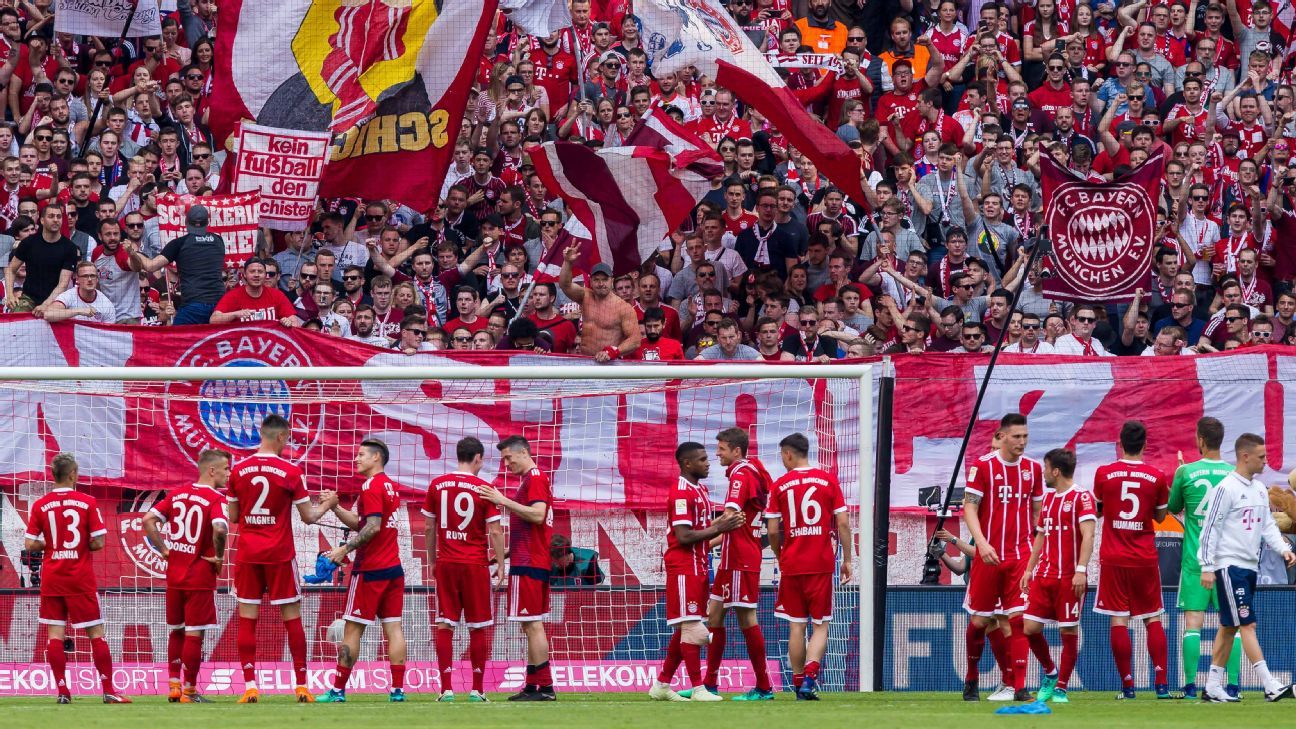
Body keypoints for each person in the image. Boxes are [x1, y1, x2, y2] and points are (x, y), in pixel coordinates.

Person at [225, 415, 337, 704]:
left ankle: (250, 686)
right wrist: (329, 503)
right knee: (292, 618)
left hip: (248, 553)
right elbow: (310, 517)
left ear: (260, 434)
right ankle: (301, 686)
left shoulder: (238, 470)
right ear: (282, 437)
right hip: (279, 554)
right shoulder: (290, 471)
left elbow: (233, 517)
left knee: (247, 619)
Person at [22, 453, 132, 704]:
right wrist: (81, 545)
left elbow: (29, 543)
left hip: (52, 578)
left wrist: (51, 545)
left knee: (55, 635)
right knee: (96, 633)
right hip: (79, 578)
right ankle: (108, 691)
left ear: (54, 475)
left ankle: (62, 693)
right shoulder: (87, 502)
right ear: (72, 474)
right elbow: (99, 542)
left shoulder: (40, 504)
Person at [1198, 431, 1296, 703]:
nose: (1266, 462)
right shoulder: (1226, 488)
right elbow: (1210, 529)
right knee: (1247, 624)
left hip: (1249, 567)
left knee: (1228, 627)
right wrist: (1207, 566)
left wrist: (1284, 549)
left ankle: (1212, 686)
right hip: (1230, 567)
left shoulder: (1257, 490)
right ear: (1245, 456)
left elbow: (1267, 526)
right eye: (1262, 457)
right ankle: (1270, 684)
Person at [647, 441, 742, 703]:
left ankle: (662, 684)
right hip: (683, 567)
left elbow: (701, 533)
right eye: (701, 459)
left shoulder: (699, 489)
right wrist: (721, 526)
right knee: (695, 631)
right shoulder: (680, 493)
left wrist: (723, 528)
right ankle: (699, 688)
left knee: (686, 629)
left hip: (699, 565)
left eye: (707, 458)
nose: (708, 462)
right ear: (687, 463)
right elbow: (684, 536)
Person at [317, 439, 408, 703]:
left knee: (352, 630)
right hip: (393, 568)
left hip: (371, 570)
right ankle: (398, 691)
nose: (356, 459)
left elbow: (373, 527)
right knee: (393, 629)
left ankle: (337, 690)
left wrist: (344, 550)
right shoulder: (388, 486)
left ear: (376, 458)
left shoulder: (370, 486)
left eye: (361, 455)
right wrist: (335, 507)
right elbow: (362, 523)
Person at [962, 413, 1042, 702]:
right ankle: (972, 676)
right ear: (1002, 436)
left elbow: (1037, 514)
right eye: (1017, 436)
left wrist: (1036, 551)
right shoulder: (982, 467)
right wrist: (981, 544)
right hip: (988, 555)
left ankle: (1019, 686)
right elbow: (969, 508)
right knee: (981, 622)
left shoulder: (1033, 469)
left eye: (1025, 436)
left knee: (1018, 620)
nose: (1022, 442)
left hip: (1019, 555)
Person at [766, 432, 852, 701]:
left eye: (782, 455)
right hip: (821, 563)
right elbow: (844, 524)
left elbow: (771, 530)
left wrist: (780, 554)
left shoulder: (780, 485)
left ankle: (798, 681)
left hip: (792, 563)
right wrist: (848, 559)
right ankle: (810, 680)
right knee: (821, 625)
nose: (782, 460)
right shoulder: (828, 481)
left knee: (796, 626)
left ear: (788, 454)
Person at [142, 448, 231, 704]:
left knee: (176, 631)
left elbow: (148, 520)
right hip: (199, 575)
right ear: (212, 470)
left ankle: (173, 686)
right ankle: (190, 691)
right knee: (195, 634)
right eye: (226, 469)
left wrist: (165, 551)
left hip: (174, 575)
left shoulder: (178, 494)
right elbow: (220, 529)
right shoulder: (216, 499)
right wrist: (219, 556)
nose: (229, 474)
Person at [422, 437, 507, 703]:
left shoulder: (437, 484)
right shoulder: (484, 488)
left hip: (447, 563)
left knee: (445, 624)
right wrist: (502, 564)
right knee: (478, 626)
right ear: (478, 458)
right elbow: (494, 530)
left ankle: (446, 689)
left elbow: (428, 527)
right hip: (475, 565)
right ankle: (477, 690)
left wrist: (432, 560)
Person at [1092, 420, 1172, 699]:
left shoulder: (1104, 473)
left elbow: (1098, 511)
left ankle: (1128, 687)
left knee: (1118, 621)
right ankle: (1161, 685)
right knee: (1152, 618)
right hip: (1144, 558)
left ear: (1120, 443)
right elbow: (1161, 517)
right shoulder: (1157, 476)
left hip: (1114, 557)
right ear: (1145, 445)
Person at [1166, 416, 1241, 700]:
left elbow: (1174, 507)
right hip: (1227, 560)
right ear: (1221, 441)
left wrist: (1181, 474)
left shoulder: (1186, 472)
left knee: (1193, 623)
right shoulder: (1235, 474)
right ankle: (1232, 686)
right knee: (1230, 624)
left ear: (1200, 440)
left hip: (1195, 561)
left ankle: (1189, 687)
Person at [478, 436, 557, 701]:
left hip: (530, 563)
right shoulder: (533, 479)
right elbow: (537, 527)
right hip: (530, 558)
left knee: (533, 625)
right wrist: (506, 552)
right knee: (529, 624)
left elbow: (538, 515)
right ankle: (533, 686)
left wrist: (502, 500)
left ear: (524, 452)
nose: (507, 463)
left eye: (509, 457)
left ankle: (545, 687)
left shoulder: (534, 478)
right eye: (504, 459)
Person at [1019, 448, 1096, 704]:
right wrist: (1029, 569)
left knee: (1068, 630)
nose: (1042, 473)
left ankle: (1061, 687)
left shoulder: (1082, 497)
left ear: (1056, 471)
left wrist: (1081, 570)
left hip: (1069, 578)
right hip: (1045, 575)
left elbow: (1089, 535)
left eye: (1045, 468)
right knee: (1029, 627)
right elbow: (1040, 536)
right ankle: (1050, 672)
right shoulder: (1049, 499)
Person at [705, 428, 775, 701]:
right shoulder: (749, 472)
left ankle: (764, 686)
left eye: (721, 449)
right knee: (714, 615)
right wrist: (704, 544)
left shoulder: (741, 474)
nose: (717, 453)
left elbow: (729, 515)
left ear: (736, 450)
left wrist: (694, 539)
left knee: (746, 618)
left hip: (740, 558)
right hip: (733, 557)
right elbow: (732, 524)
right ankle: (708, 685)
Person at [129, 205, 225, 324]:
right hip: (220, 305)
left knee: (176, 339)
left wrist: (133, 252)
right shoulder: (218, 241)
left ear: (186, 222)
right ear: (208, 222)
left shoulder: (179, 243)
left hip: (194, 305)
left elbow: (151, 266)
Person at [559, 245, 641, 361]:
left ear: (612, 281)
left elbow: (635, 340)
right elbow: (565, 285)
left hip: (609, 364)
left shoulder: (623, 308)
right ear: (591, 281)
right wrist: (567, 262)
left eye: (604, 279)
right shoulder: (585, 297)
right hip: (585, 361)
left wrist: (614, 351)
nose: (601, 283)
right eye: (596, 279)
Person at [5, 204, 76, 312]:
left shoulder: (70, 248)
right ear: (42, 220)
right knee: (16, 320)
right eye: (51, 216)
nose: (56, 220)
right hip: (29, 298)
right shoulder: (28, 243)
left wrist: (46, 305)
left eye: (59, 216)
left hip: (57, 299)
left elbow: (63, 283)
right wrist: (10, 295)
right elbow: (11, 269)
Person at [211, 257, 301, 326]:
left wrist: (288, 322)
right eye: (252, 271)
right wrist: (235, 314)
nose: (256, 275)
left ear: (265, 275)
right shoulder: (233, 296)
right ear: (244, 275)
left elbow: (295, 323)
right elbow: (213, 320)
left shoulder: (277, 295)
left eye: (260, 272)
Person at [36, 261, 116, 323]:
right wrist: (79, 311)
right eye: (85, 276)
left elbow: (109, 334)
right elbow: (48, 315)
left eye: (92, 276)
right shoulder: (69, 295)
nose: (89, 279)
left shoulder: (106, 304)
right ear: (77, 279)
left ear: (97, 279)